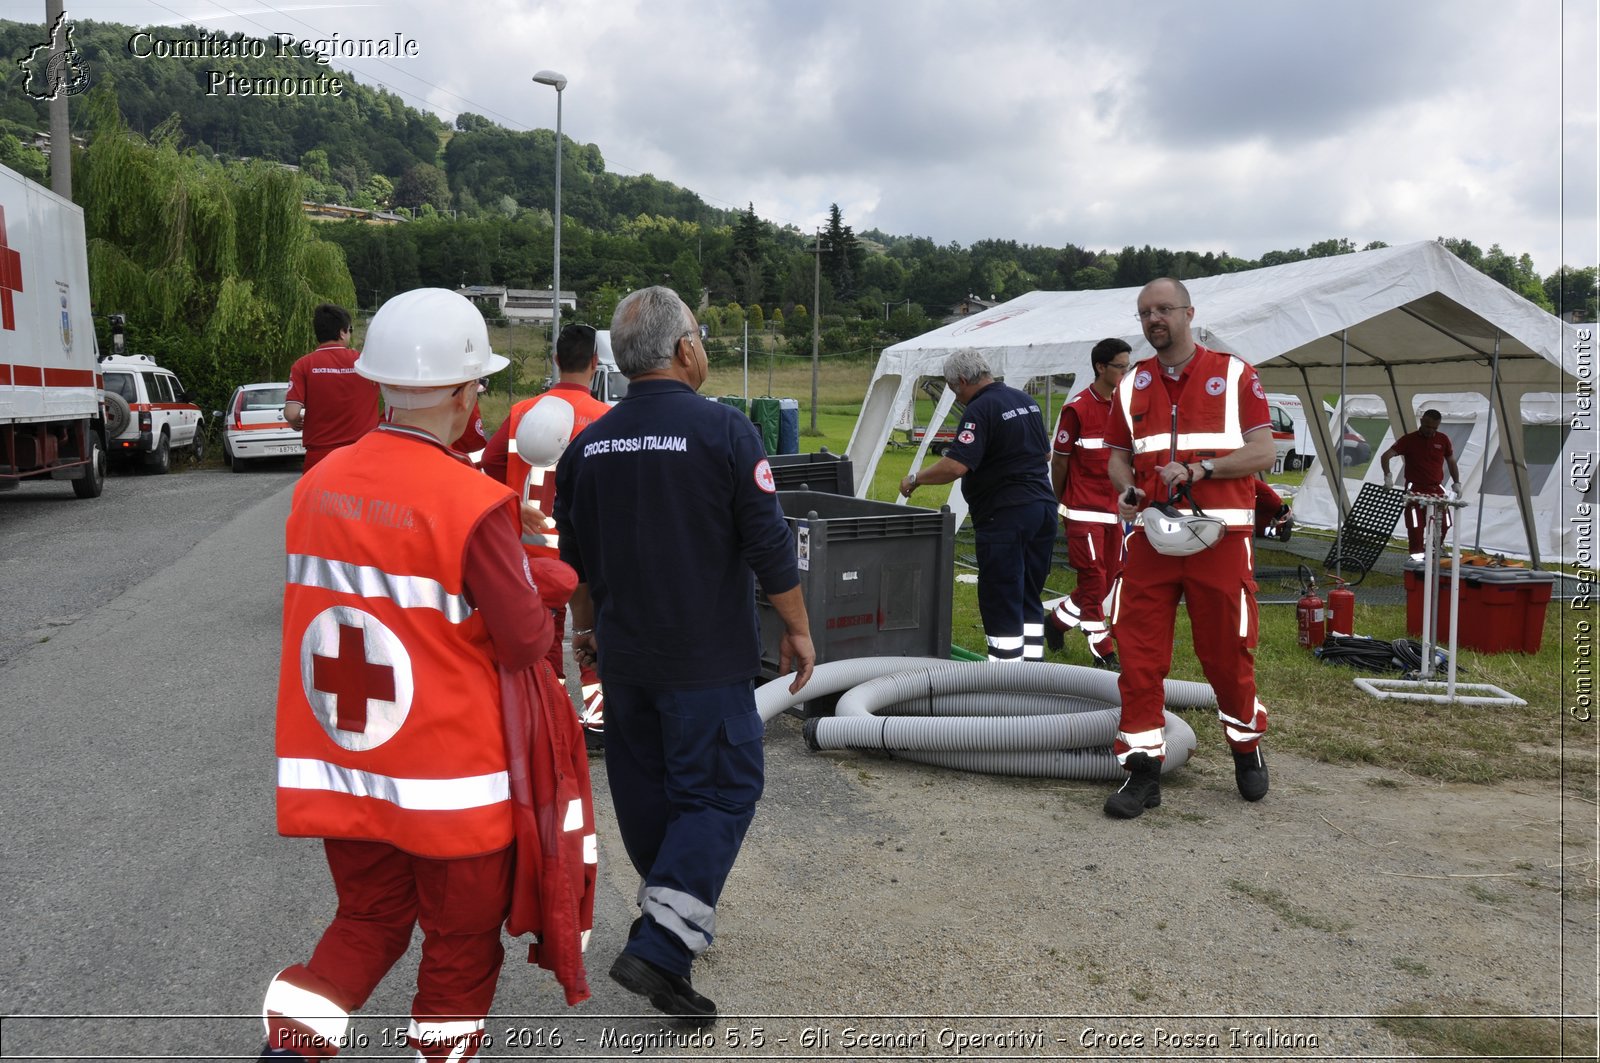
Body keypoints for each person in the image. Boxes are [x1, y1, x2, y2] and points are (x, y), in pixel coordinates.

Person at [261, 289, 596, 1063]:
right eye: (477, 384)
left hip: (348, 772)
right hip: (451, 794)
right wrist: (541, 570)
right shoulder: (473, 504)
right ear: (455, 391)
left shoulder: (317, 486)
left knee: (367, 921)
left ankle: (290, 1050)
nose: (479, 397)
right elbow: (519, 640)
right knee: (458, 950)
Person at [552, 286, 814, 1025]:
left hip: (625, 659)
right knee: (724, 791)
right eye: (699, 334)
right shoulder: (725, 432)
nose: (703, 346)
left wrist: (587, 632)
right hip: (704, 664)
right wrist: (797, 628)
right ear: (682, 349)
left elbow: (578, 560)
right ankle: (664, 941)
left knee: (650, 797)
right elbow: (768, 543)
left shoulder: (587, 445)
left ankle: (670, 924)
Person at [1103, 277, 1277, 819]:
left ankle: (1245, 749)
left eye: (1163, 309)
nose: (1154, 319)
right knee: (1137, 654)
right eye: (1144, 313)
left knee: (1226, 654)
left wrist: (1204, 468)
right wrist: (1126, 489)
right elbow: (1116, 454)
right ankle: (1143, 769)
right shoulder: (1131, 385)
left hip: (1220, 539)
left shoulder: (1234, 374)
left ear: (1188, 313)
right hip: (1154, 537)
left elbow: (1264, 452)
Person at [483, 324, 614, 748]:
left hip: (533, 546)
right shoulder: (607, 419)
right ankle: (596, 717)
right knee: (590, 631)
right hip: (584, 550)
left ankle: (548, 718)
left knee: (545, 640)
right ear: (595, 363)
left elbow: (490, 460)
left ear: (555, 360)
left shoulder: (523, 411)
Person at [899, 350, 1056, 662]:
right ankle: (1035, 672)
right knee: (1028, 593)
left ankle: (1005, 678)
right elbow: (1046, 455)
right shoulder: (1024, 400)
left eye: (951, 387)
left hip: (1006, 514)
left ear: (960, 381)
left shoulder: (980, 408)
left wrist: (915, 479)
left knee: (1002, 595)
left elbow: (956, 466)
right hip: (1043, 508)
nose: (954, 394)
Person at [1044, 338, 1132, 668]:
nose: (1126, 373)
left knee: (1107, 580)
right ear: (1100, 368)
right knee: (1094, 580)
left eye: (1128, 366)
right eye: (1120, 367)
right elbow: (1060, 462)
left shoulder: (1125, 407)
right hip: (1083, 511)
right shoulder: (1077, 409)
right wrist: (1059, 501)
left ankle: (1055, 623)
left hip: (1115, 511)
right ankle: (1103, 650)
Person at [284, 304, 380, 473]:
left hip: (320, 456)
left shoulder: (303, 365)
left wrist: (295, 422)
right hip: (363, 452)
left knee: (320, 500)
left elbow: (291, 413)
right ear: (342, 332)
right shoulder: (366, 363)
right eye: (350, 329)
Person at [1380, 408, 1463, 556]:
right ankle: (1416, 556)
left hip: (1436, 488)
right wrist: (1388, 476)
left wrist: (1457, 482)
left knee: (1444, 523)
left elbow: (1451, 460)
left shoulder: (1442, 439)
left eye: (1434, 428)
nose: (1431, 431)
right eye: (1428, 426)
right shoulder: (1408, 440)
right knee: (1416, 526)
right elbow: (1386, 456)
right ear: (1422, 421)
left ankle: (1435, 549)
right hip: (1415, 488)